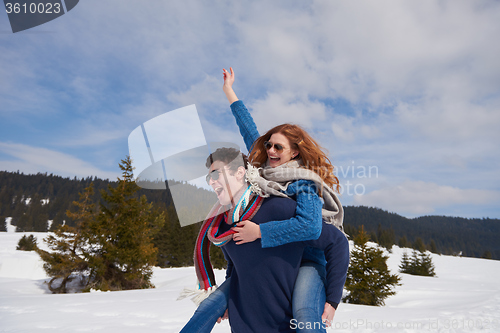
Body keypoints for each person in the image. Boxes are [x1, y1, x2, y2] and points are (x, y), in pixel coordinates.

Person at [181, 147, 348, 332]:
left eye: (215, 174)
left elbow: (337, 242)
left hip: (283, 324)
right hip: (245, 326)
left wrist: (332, 300)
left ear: (239, 172)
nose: (211, 182)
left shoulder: (278, 208)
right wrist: (228, 298)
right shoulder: (222, 226)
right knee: (205, 309)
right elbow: (234, 263)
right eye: (208, 178)